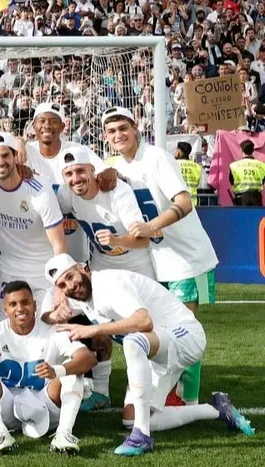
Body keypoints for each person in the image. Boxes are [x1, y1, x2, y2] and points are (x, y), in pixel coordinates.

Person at [46, 255, 255, 456]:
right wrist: (53, 314)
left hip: (186, 335)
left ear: (83, 268)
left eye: (70, 277)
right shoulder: (83, 297)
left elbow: (144, 322)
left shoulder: (109, 284)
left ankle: (141, 437)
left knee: (133, 340)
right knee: (133, 418)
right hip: (157, 350)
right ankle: (217, 409)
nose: (70, 286)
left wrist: (93, 330)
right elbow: (46, 315)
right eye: (62, 285)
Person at [102, 107, 219, 405]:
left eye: (123, 128)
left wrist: (151, 226)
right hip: (157, 261)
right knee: (163, 329)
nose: (118, 135)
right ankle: (168, 392)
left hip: (186, 259)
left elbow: (185, 202)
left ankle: (187, 398)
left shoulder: (156, 157)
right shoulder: (115, 165)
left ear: (135, 127)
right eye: (112, 131)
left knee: (185, 330)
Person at [0, 281, 97, 454]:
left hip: (45, 402)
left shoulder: (52, 331)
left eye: (25, 302)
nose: (20, 309)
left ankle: (63, 434)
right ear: (5, 309)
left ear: (34, 305)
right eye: (13, 304)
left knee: (73, 373)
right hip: (6, 406)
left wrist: (58, 370)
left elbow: (88, 358)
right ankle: (0, 433)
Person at [0, 132, 66, 317]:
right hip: (10, 274)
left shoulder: (40, 190)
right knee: (9, 331)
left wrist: (59, 284)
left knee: (48, 329)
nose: (0, 161)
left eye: (5, 155)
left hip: (43, 274)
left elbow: (59, 245)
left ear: (15, 156)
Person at [25, 102, 107, 263]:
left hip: (73, 233)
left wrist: (110, 172)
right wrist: (18, 141)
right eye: (42, 121)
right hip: (37, 237)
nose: (47, 125)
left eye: (53, 121)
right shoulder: (26, 151)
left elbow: (104, 172)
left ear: (63, 126)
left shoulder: (78, 150)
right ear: (34, 126)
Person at [57, 146, 155, 278]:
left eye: (80, 171)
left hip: (136, 263)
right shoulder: (66, 193)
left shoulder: (116, 190)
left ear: (92, 170)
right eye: (68, 174)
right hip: (102, 262)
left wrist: (116, 240)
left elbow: (143, 241)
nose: (76, 179)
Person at [227, 139, 265, 206]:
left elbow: (232, 182)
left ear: (241, 150)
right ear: (253, 151)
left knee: (241, 216)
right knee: (256, 216)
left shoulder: (233, 166)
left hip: (240, 198)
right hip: (256, 198)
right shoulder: (262, 165)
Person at [174, 142, 206, 206]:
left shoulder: (173, 164)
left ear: (178, 151)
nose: (174, 152)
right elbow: (200, 185)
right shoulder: (197, 166)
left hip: (176, 203)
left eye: (175, 150)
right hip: (192, 204)